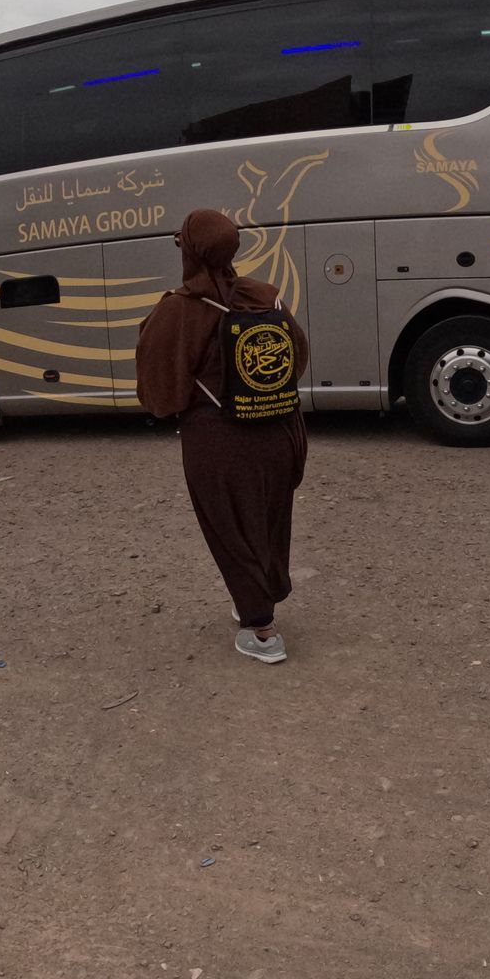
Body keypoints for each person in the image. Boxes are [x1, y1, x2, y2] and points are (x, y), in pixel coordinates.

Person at [135, 208, 310, 664]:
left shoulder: (179, 309)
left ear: (190, 252)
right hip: (279, 431)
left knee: (231, 528)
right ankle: (257, 597)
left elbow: (159, 389)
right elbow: (299, 355)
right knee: (268, 522)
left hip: (220, 442)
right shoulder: (263, 297)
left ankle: (262, 632)